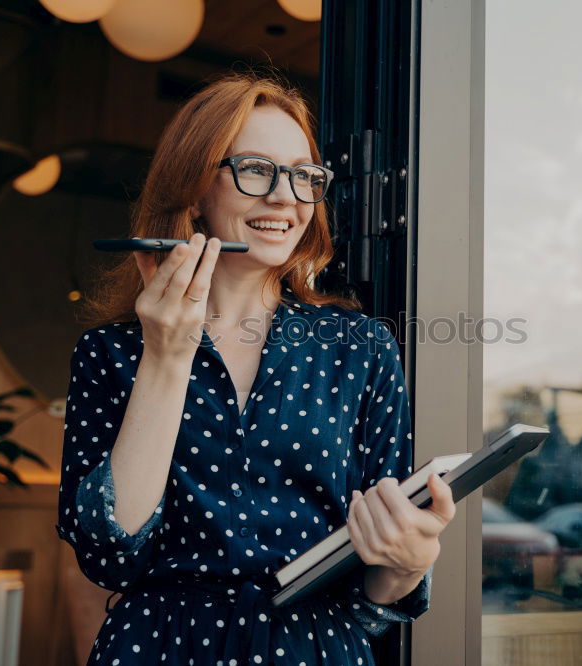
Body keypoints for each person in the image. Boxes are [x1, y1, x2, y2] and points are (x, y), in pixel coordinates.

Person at [55, 71, 456, 665]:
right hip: (159, 649)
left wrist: (407, 564)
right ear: (192, 189)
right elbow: (111, 555)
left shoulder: (361, 348)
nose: (285, 197)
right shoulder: (111, 353)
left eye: (302, 175)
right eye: (256, 170)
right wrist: (166, 354)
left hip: (316, 650)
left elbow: (375, 599)